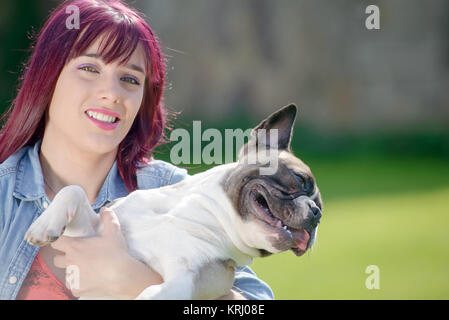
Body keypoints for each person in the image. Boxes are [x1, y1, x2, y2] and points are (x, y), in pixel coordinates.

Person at [0, 0, 274, 300]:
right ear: (48, 76)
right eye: (89, 68)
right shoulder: (3, 194)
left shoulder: (176, 192)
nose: (111, 93)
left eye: (129, 79)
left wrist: (136, 283)